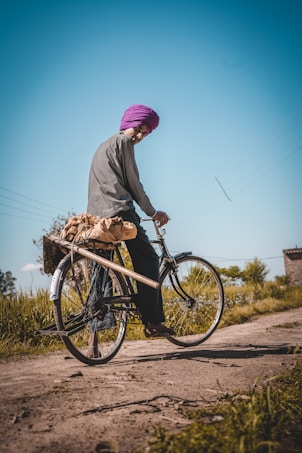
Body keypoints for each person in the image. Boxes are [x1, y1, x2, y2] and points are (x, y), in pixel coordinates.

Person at [86, 104, 176, 356]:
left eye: (145, 134)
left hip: (96, 218)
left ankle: (92, 344)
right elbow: (134, 185)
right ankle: (153, 322)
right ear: (128, 125)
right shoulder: (123, 143)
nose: (139, 136)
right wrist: (153, 212)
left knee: (101, 272)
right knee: (147, 259)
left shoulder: (101, 147)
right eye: (139, 129)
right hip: (120, 213)